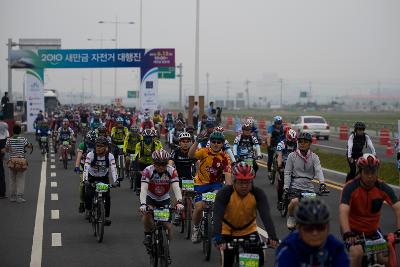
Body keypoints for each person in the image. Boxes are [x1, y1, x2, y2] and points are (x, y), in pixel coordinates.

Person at [339, 153, 400, 267]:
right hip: (353, 231)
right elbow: (343, 211)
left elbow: (398, 208)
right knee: (357, 253)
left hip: (373, 230)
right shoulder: (350, 187)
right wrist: (347, 233)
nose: (370, 176)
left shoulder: (382, 187)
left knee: (386, 259)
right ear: (360, 172)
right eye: (367, 172)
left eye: (373, 172)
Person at [213, 162, 279, 266]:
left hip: (249, 231)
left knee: (259, 259)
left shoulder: (258, 193)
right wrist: (217, 237)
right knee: (227, 261)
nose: (244, 186)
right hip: (228, 232)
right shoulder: (224, 193)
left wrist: (272, 236)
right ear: (234, 181)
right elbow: (217, 215)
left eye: (247, 182)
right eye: (240, 182)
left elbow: (265, 216)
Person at [139, 149, 184, 260]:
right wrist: (143, 204)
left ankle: (166, 249)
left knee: (168, 227)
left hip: (164, 199)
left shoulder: (171, 171)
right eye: (158, 164)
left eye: (163, 164)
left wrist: (179, 202)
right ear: (154, 163)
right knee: (146, 215)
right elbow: (143, 189)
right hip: (151, 198)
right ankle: (148, 235)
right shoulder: (147, 171)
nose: (161, 167)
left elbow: (176, 188)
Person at [276, 199, 349, 267]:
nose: (315, 233)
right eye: (309, 229)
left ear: (327, 228)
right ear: (299, 228)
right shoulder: (288, 248)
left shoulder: (336, 247)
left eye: (320, 228)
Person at [188, 130, 232, 243]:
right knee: (199, 207)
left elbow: (228, 177)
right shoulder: (204, 151)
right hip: (200, 184)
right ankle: (196, 228)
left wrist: (229, 190)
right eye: (213, 141)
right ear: (210, 142)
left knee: (219, 198)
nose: (216, 144)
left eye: (219, 142)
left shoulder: (225, 157)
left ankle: (214, 220)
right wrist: (196, 141)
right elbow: (190, 155)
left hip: (215, 185)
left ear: (222, 144)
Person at [284, 132, 329, 229]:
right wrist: (286, 187)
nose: (302, 144)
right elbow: (287, 172)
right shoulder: (292, 156)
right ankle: (291, 217)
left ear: (309, 144)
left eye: (305, 142)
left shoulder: (314, 157)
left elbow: (319, 170)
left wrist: (322, 184)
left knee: (313, 212)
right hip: (295, 187)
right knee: (294, 202)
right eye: (300, 141)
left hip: (309, 188)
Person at [83, 136, 119, 225]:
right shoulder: (90, 155)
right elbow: (86, 168)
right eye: (97, 146)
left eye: (100, 146)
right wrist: (85, 180)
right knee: (88, 195)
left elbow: (114, 169)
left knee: (107, 197)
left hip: (103, 178)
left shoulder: (110, 156)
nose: (98, 148)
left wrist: (116, 181)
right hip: (92, 177)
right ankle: (88, 210)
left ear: (106, 147)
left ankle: (105, 217)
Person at [5, 124, 33, 203]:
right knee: (20, 179)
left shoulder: (9, 140)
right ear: (20, 131)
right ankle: (19, 197)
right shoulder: (23, 139)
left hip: (12, 161)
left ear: (13, 131)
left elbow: (7, 150)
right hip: (21, 161)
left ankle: (13, 197)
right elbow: (29, 146)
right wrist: (30, 146)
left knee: (12, 179)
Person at [134, 129, 163, 194]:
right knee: (139, 175)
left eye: (149, 138)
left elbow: (160, 154)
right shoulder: (139, 144)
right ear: (143, 138)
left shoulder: (156, 144)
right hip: (142, 163)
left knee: (158, 175)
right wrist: (136, 168)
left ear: (152, 138)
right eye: (146, 137)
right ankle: (138, 188)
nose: (148, 139)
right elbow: (137, 156)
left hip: (152, 163)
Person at [74, 130, 97, 213]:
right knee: (82, 185)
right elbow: (79, 157)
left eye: (93, 140)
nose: (91, 142)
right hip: (83, 166)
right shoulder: (82, 145)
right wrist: (77, 166)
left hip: (94, 167)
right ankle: (82, 202)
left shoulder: (98, 145)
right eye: (90, 140)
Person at [276, 128, 298, 211]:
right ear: (287, 137)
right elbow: (279, 156)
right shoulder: (281, 144)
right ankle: (280, 201)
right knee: (281, 182)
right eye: (290, 139)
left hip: (293, 164)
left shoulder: (297, 144)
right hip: (282, 163)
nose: (291, 141)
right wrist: (279, 166)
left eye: (293, 140)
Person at [267, 116, 285, 181]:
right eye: (277, 123)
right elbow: (268, 137)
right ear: (275, 123)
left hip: (280, 145)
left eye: (280, 123)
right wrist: (269, 145)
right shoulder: (271, 128)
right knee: (270, 158)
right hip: (272, 145)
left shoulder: (283, 127)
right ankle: (269, 171)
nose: (279, 125)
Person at [0, 115, 9, 199]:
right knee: (1, 170)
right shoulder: (5, 124)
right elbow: (7, 135)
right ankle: (2, 193)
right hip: (3, 143)